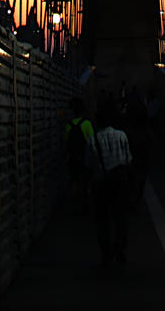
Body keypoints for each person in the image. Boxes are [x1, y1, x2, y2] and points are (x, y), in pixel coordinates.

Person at [87, 100, 133, 266]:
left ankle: (106, 252)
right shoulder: (121, 135)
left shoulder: (93, 139)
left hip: (100, 184)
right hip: (119, 183)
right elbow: (128, 159)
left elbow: (89, 165)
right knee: (120, 217)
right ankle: (120, 246)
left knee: (102, 219)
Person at [63, 96, 94, 212]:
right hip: (85, 159)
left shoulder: (68, 125)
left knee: (74, 181)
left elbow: (65, 143)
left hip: (73, 159)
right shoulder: (87, 124)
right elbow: (91, 142)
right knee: (85, 182)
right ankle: (85, 204)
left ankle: (75, 204)